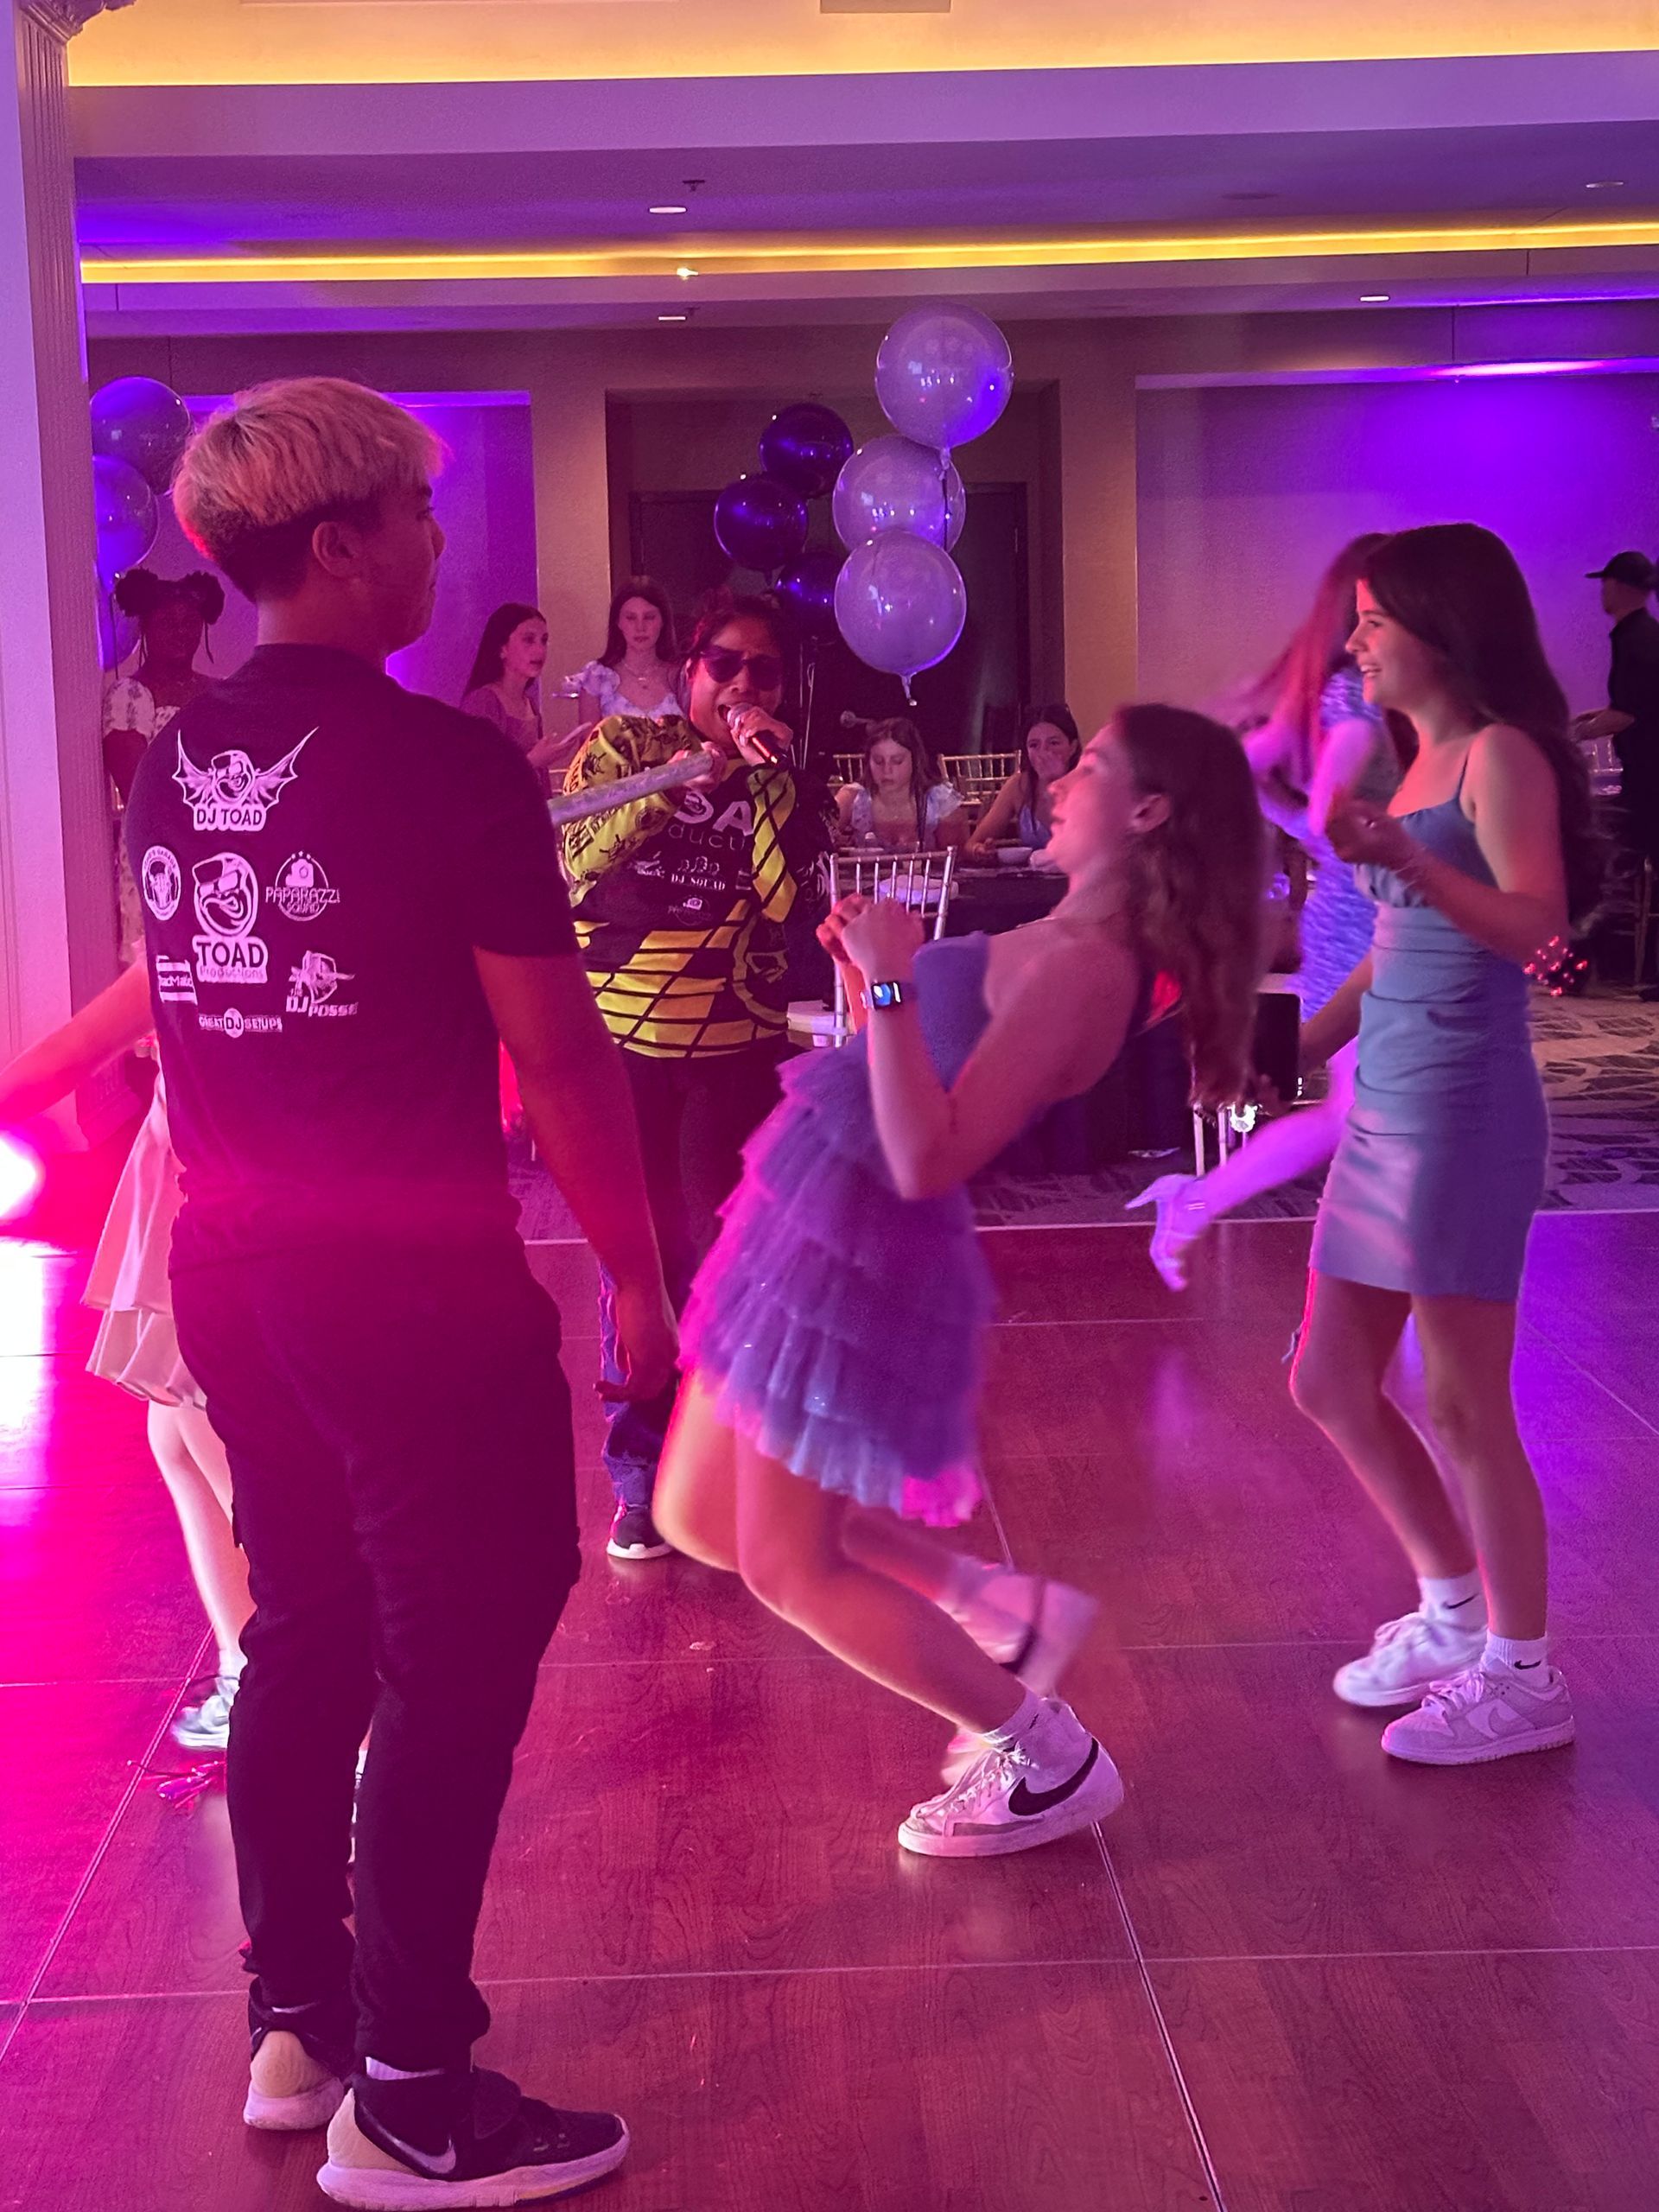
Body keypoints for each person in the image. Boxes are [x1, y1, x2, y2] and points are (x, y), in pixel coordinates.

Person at [128, 374, 676, 2208]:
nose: (443, 548)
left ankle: (303, 2022)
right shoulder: (445, 766)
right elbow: (570, 1061)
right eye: (423, 519)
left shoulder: (173, 753)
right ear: (345, 540)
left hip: (236, 1264)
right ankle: (421, 2090)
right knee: (466, 1628)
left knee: (309, 1620)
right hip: (406, 1286)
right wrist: (637, 1278)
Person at [652, 707, 1267, 1856]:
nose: (1062, 781)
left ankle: (1047, 1753)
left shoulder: (1090, 970)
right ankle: (995, 1608)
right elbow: (895, 1071)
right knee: (693, 1515)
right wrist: (864, 982)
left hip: (863, 1234)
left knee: (787, 1561)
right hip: (813, 1206)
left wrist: (888, 982)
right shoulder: (1058, 933)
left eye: (1087, 767)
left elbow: (929, 1153)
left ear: (1147, 814)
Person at [1285, 523, 1600, 1767]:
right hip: (1387, 1114)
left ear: (1440, 627)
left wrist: (1407, 852)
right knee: (1325, 1378)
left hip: (1463, 1116)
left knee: (1467, 1407)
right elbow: (1395, 949)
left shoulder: (1498, 758)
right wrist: (1297, 1051)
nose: (1355, 640)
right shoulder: (1419, 766)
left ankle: (1525, 1677)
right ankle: (1453, 1612)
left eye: (1372, 618)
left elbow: (1541, 932)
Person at [561, 592, 833, 1566]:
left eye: (765, 671)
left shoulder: (788, 780)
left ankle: (718, 1481)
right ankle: (641, 1485)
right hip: (622, 1055)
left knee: (728, 1271)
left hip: (732, 1057)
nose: (745, 686)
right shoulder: (624, 753)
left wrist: (763, 783)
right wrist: (681, 780)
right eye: (727, 664)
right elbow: (574, 865)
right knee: (638, 1267)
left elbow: (786, 896)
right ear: (690, 669)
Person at [1131, 537, 1402, 1280]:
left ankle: (1200, 1201)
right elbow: (1329, 814)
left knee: (1361, 1113)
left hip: (1360, 920)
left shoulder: (1341, 692)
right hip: (1369, 928)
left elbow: (1267, 788)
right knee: (1368, 1114)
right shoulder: (1356, 698)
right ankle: (1374, 1275)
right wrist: (1320, 823)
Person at [0, 963, 251, 1752]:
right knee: (175, 1433)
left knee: (237, 1464)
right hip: (198, 1181)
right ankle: (252, 1665)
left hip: (217, 1199)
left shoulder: (211, 928)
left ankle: (327, 1713)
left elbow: (72, 1052)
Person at [103, 567, 226, 962]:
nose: (181, 632)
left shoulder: (220, 692)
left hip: (219, 844)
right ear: (145, 627)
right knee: (161, 967)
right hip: (161, 849)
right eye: (168, 622)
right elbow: (135, 786)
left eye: (190, 622)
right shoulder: (130, 695)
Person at [1573, 550, 1659, 874]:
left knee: (1625, 859)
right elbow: (1640, 701)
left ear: (1620, 587)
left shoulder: (1635, 640)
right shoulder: (1645, 635)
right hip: (1648, 773)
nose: (1602, 592)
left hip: (1649, 777)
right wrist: (1595, 717)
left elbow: (1628, 714)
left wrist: (1573, 735)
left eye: (1606, 583)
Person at [460, 601, 571, 781]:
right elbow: (475, 776)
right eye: (529, 640)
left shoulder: (529, 703)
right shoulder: (484, 702)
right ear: (502, 648)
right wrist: (532, 762)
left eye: (544, 640)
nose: (540, 650)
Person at [835, 717, 965, 852]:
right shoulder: (852, 798)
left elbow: (957, 858)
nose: (887, 770)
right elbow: (817, 838)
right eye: (878, 761)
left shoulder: (940, 801)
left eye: (897, 761)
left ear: (915, 760)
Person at [966, 705, 1081, 855]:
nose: (1043, 752)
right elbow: (972, 844)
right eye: (1034, 745)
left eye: (1053, 743)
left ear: (1072, 747)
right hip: (1035, 877)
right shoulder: (1019, 786)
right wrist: (980, 851)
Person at [573, 576, 682, 727]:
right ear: (618, 622)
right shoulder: (597, 677)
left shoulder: (680, 676)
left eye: (649, 618)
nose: (640, 627)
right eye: (631, 618)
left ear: (663, 621)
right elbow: (587, 746)